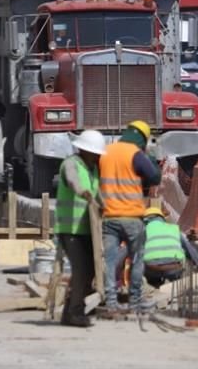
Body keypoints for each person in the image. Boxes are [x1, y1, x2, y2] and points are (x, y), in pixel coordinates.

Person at [99, 119, 161, 315]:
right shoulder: (135, 153)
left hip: (109, 216)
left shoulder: (106, 151)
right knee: (136, 259)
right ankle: (134, 302)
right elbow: (155, 177)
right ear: (142, 139)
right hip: (132, 217)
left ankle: (110, 301)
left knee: (109, 260)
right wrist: (148, 157)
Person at [55, 129, 106, 328]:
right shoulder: (71, 163)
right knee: (81, 269)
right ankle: (75, 312)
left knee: (92, 270)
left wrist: (104, 206)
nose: (98, 157)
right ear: (84, 150)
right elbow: (72, 179)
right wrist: (80, 191)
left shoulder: (93, 169)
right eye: (95, 153)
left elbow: (97, 193)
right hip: (70, 229)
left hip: (88, 230)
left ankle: (70, 311)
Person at [141, 206, 198, 289]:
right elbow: (187, 247)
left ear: (145, 220)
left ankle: (155, 286)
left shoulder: (143, 231)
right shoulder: (174, 229)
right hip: (174, 268)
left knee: (140, 262)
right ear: (162, 218)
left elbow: (129, 250)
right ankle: (174, 287)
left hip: (152, 269)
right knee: (178, 270)